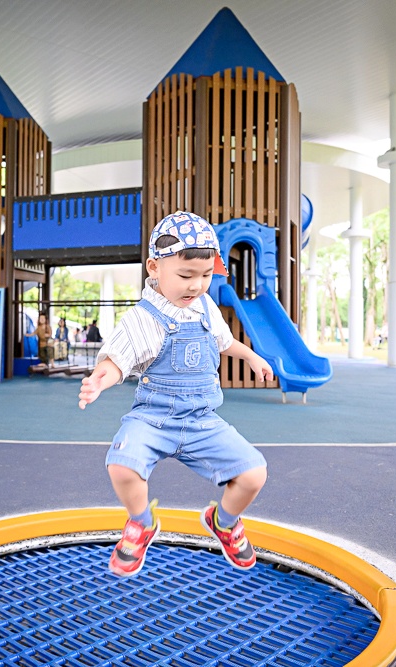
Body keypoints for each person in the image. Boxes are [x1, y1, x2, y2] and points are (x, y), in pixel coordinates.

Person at [78, 211, 274, 577]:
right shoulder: (142, 318)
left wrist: (251, 356)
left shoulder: (204, 307)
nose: (196, 285)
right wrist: (99, 380)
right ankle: (141, 521)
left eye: (204, 276)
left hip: (202, 420)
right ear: (154, 268)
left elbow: (224, 341)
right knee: (122, 465)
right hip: (154, 417)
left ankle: (225, 522)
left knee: (254, 474)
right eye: (185, 276)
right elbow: (117, 360)